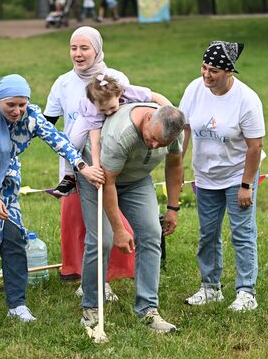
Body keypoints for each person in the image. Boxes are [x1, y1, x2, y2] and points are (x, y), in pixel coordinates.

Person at [0, 74, 104, 321]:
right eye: (10, 105)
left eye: (22, 104)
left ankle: (17, 305)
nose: (17, 110)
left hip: (5, 180)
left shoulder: (32, 117)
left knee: (13, 237)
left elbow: (60, 141)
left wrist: (81, 166)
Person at [77, 103, 185, 333]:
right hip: (99, 178)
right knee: (102, 239)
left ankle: (148, 310)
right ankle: (91, 308)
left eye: (160, 144)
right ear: (147, 119)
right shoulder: (121, 134)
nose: (154, 146)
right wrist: (118, 229)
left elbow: (175, 164)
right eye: (152, 138)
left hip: (136, 179)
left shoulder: (173, 131)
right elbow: (108, 182)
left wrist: (173, 207)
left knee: (151, 234)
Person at [44, 26, 134, 292]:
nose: (78, 54)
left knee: (109, 222)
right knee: (85, 225)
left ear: (97, 49)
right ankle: (89, 280)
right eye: (74, 48)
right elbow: (48, 123)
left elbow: (129, 115)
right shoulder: (62, 83)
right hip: (77, 165)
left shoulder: (115, 77)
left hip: (109, 162)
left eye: (85, 48)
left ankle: (105, 279)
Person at [179, 41, 265, 312]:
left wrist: (246, 185)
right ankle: (210, 287)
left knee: (242, 233)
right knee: (208, 233)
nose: (206, 75)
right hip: (205, 175)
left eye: (213, 70)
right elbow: (184, 129)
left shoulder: (247, 100)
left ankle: (246, 292)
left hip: (238, 173)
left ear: (229, 72)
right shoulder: (194, 89)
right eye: (204, 67)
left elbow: (255, 146)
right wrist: (177, 166)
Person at [53, 74, 172, 196]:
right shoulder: (93, 109)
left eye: (112, 107)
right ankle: (69, 176)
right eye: (103, 110)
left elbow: (156, 96)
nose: (109, 113)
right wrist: (96, 169)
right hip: (86, 116)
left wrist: (173, 113)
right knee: (74, 141)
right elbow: (95, 142)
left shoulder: (130, 91)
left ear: (119, 94)